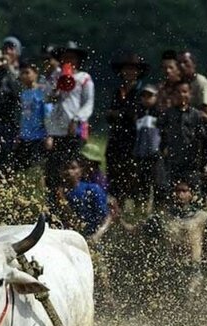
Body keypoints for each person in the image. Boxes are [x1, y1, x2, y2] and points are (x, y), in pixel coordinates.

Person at [44, 41, 94, 200]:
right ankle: (53, 201)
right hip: (56, 128)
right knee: (53, 167)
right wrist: (55, 87)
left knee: (72, 165)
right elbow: (47, 97)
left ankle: (76, 200)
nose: (68, 61)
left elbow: (88, 102)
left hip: (73, 129)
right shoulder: (55, 76)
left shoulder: (84, 78)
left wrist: (77, 119)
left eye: (72, 58)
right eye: (65, 58)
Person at [106, 52, 147, 201]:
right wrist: (122, 114)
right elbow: (110, 114)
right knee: (115, 176)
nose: (129, 72)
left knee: (133, 176)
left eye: (133, 69)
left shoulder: (142, 92)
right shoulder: (118, 91)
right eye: (126, 69)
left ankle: (136, 212)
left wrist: (120, 114)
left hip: (133, 140)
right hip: (116, 139)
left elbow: (137, 114)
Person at [160, 80, 207, 190]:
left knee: (194, 191)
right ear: (173, 95)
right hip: (173, 161)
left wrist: (202, 160)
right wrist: (164, 149)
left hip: (191, 161)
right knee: (172, 191)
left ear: (190, 94)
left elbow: (202, 136)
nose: (182, 95)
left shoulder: (195, 114)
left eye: (184, 91)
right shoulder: (168, 114)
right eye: (178, 92)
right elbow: (161, 133)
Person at [55, 158, 110, 238]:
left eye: (73, 168)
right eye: (65, 168)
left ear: (80, 171)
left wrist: (97, 236)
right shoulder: (60, 193)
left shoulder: (92, 189)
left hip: (95, 236)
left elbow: (107, 217)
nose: (69, 171)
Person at [17, 62, 47, 169]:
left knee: (37, 167)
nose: (24, 76)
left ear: (35, 73)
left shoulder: (41, 91)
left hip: (38, 135)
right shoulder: (24, 93)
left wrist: (48, 135)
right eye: (22, 73)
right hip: (25, 135)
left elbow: (47, 113)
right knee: (22, 168)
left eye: (27, 72)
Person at [177, 50, 207, 119]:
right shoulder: (181, 82)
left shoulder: (201, 82)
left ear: (194, 64)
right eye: (179, 63)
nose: (182, 65)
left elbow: (205, 110)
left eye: (185, 62)